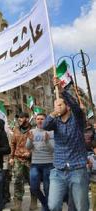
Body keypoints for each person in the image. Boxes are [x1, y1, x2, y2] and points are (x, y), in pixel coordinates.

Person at [43, 77, 89, 211]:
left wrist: (62, 91)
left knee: (81, 207)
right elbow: (45, 125)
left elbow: (76, 107)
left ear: (67, 106)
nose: (57, 107)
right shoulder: (55, 122)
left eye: (60, 105)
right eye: (55, 105)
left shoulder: (78, 119)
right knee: (53, 205)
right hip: (58, 171)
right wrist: (53, 113)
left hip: (77, 170)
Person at [26, 113, 54, 211]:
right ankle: (45, 204)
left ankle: (46, 208)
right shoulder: (32, 131)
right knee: (34, 188)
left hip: (49, 164)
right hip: (35, 164)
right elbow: (28, 147)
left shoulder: (51, 132)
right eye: (38, 119)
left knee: (47, 189)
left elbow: (53, 149)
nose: (40, 120)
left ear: (46, 120)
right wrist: (29, 140)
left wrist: (47, 141)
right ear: (35, 120)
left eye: (42, 119)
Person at [9, 112, 37, 210]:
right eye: (18, 118)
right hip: (18, 159)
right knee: (17, 181)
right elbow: (12, 144)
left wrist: (31, 153)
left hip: (30, 160)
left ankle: (34, 202)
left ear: (27, 118)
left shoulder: (33, 130)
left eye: (21, 118)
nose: (19, 119)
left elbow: (37, 145)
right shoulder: (16, 129)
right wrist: (11, 157)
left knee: (32, 181)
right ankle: (17, 204)